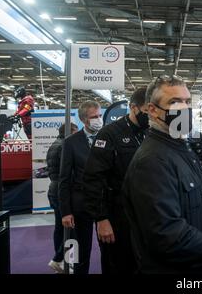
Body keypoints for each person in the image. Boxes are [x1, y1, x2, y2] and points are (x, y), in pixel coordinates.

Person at [122, 75, 202, 274]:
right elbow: (167, 234)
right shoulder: (152, 161)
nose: (184, 108)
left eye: (187, 101)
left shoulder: (182, 149)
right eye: (174, 102)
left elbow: (198, 204)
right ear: (152, 110)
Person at [82, 87, 148, 274]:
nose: (150, 116)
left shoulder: (149, 133)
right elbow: (93, 179)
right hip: (116, 216)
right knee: (117, 265)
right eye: (146, 111)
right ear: (134, 108)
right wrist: (101, 219)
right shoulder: (109, 134)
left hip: (143, 215)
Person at [59, 101, 103, 274]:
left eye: (99, 116)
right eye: (94, 117)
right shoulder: (71, 143)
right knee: (79, 253)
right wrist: (65, 211)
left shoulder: (108, 136)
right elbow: (64, 178)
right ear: (84, 120)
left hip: (104, 205)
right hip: (80, 206)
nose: (98, 120)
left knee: (110, 252)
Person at [46, 122, 78, 273]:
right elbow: (68, 172)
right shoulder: (65, 145)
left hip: (54, 188)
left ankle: (63, 261)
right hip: (63, 190)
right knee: (71, 227)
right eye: (75, 132)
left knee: (60, 227)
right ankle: (60, 259)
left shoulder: (55, 144)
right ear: (70, 132)